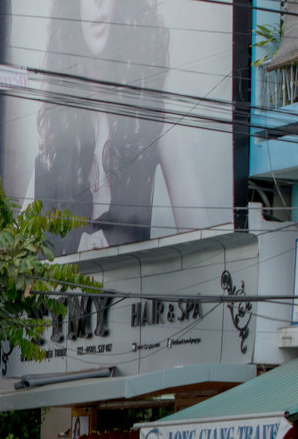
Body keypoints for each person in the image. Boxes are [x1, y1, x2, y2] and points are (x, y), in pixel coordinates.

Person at [30, 0, 209, 257]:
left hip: (136, 291)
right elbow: (19, 247)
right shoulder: (57, 119)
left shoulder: (153, 101)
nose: (99, 3)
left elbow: (199, 232)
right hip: (65, 293)